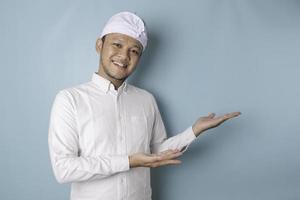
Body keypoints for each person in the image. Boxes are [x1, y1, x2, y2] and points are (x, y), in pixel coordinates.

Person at [48, 11, 241, 200]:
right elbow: (64, 169)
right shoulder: (70, 99)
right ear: (100, 45)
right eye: (117, 44)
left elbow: (156, 153)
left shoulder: (146, 100)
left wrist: (193, 131)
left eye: (134, 51)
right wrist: (129, 162)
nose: (124, 56)